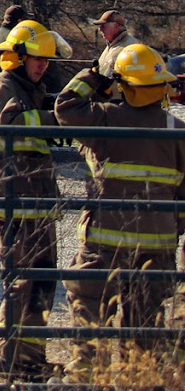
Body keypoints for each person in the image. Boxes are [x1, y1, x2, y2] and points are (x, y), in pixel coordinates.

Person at [55, 43, 185, 378]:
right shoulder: (177, 131)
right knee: (145, 315)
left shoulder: (106, 119)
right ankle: (140, 377)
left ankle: (87, 375)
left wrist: (95, 76)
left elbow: (66, 106)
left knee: (88, 301)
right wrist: (173, 227)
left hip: (105, 241)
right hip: (157, 243)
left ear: (122, 84)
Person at [0, 19, 64, 381]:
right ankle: (10, 361)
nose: (42, 65)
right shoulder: (3, 87)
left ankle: (31, 359)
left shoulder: (29, 89)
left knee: (42, 285)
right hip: (17, 205)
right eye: (36, 59)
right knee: (21, 286)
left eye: (46, 60)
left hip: (37, 203)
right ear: (17, 56)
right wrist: (60, 118)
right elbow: (11, 124)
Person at [88, 9, 131, 75]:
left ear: (116, 26)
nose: (100, 29)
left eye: (103, 26)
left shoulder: (130, 47)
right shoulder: (111, 46)